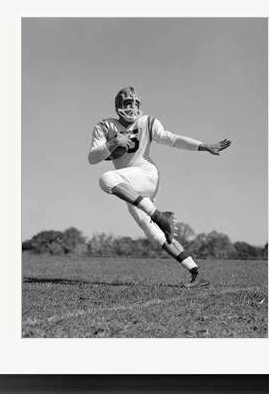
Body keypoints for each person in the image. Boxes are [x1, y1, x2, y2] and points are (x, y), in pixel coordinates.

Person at [88, 87, 231, 288]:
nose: (132, 107)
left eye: (135, 103)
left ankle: (160, 215)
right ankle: (195, 272)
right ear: (118, 106)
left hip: (146, 176)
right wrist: (113, 142)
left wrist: (202, 145)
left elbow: (172, 139)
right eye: (128, 103)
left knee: (106, 180)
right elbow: (92, 158)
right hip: (128, 185)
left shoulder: (147, 121)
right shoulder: (105, 126)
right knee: (155, 235)